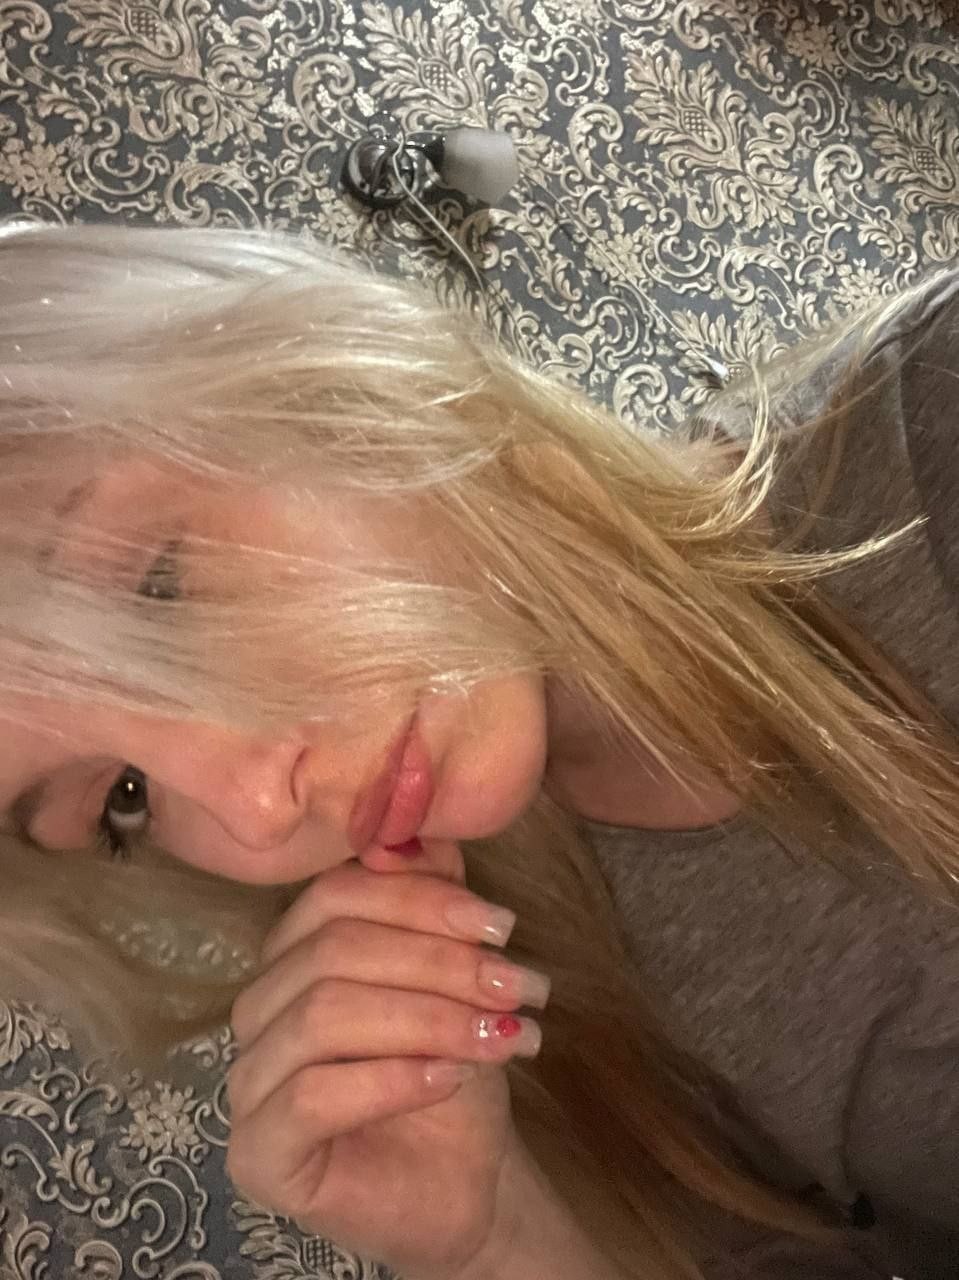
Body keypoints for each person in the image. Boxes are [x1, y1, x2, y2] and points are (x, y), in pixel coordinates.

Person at [1, 220, 958, 1280]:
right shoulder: (513, 1014)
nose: (255, 811)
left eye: (160, 592)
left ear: (313, 361)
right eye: (123, 799)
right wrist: (507, 1245)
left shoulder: (930, 419)